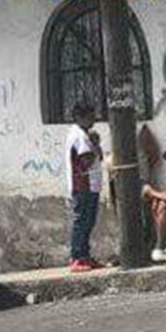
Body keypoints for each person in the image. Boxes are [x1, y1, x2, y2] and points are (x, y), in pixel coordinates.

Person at [64, 103, 104, 273]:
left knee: (88, 222)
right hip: (83, 185)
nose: (93, 119)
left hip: (91, 185)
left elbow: (98, 157)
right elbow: (86, 161)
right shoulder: (79, 135)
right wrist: (95, 144)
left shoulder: (85, 134)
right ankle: (77, 257)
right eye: (90, 115)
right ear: (79, 117)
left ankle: (85, 256)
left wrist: (96, 145)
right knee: (81, 222)